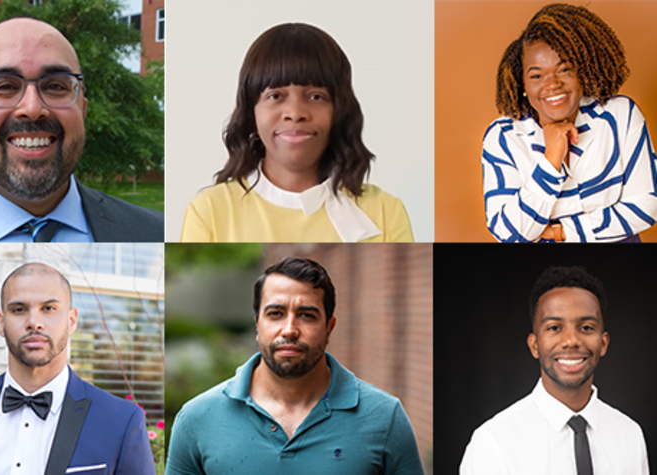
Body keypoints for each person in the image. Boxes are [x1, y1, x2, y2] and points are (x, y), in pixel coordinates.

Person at [166, 257, 423, 474]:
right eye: (275, 314)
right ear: (258, 324)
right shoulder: (196, 419)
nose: (289, 330)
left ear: (328, 328)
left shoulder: (385, 417)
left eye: (306, 315)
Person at [180, 23, 413, 243]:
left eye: (316, 96)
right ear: (252, 112)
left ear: (339, 110)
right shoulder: (210, 212)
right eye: (275, 96)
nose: (295, 113)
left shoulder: (384, 212)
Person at [0, 17, 163, 243]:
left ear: (82, 112)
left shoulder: (158, 232)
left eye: (56, 86)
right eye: (5, 87)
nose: (33, 108)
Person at [0, 262, 155, 474]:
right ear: (0, 322)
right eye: (19, 309)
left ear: (71, 320)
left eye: (49, 308)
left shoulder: (121, 421)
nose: (34, 322)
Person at [482, 4, 657, 242]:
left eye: (564, 70)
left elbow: (647, 205)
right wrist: (550, 161)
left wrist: (560, 232)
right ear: (523, 84)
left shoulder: (620, 115)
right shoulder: (503, 136)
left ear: (582, 72)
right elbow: (508, 233)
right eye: (536, 76)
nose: (552, 84)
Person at [460, 266, 648, 474]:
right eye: (554, 328)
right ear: (534, 345)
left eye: (586, 327)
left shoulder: (630, 435)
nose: (571, 341)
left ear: (603, 344)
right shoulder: (493, 443)